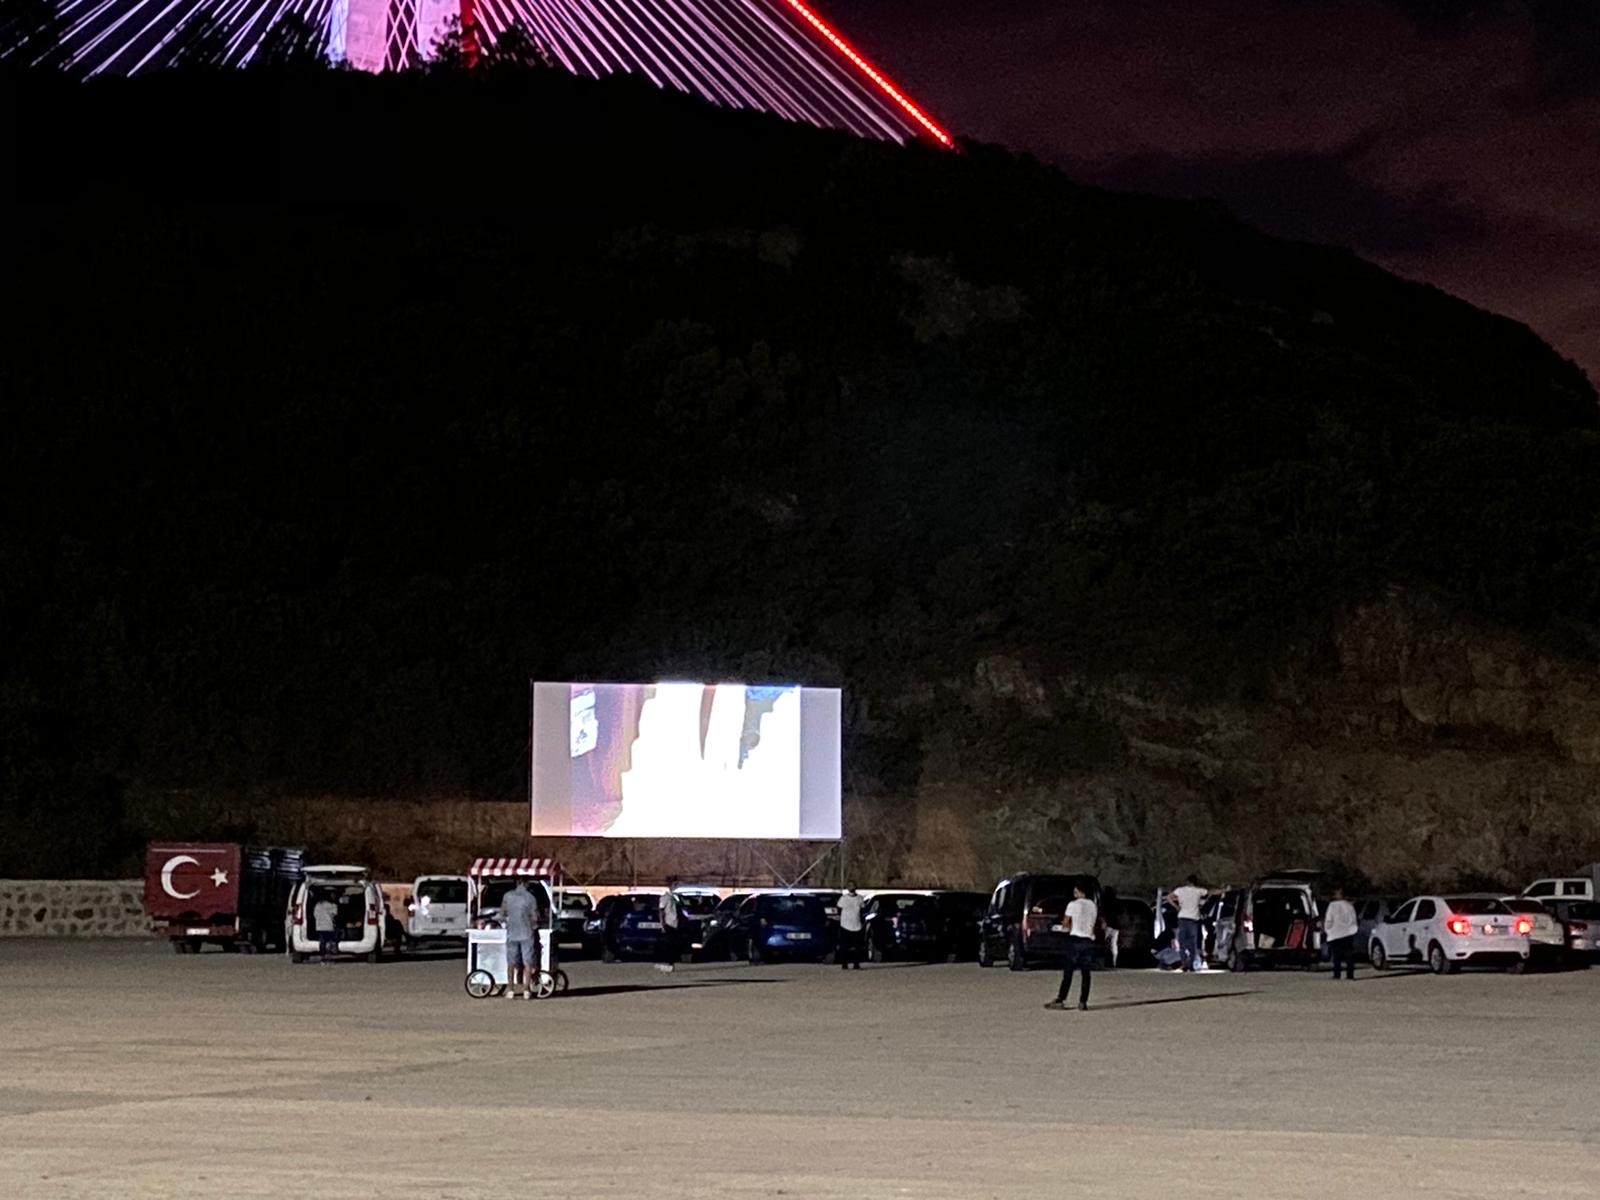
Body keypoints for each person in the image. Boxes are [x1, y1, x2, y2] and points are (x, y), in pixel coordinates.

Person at [1045, 883, 1098, 1011]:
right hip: (1089, 940)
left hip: (1075, 940)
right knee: (1086, 973)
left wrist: (1062, 927)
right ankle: (1083, 1002)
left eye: (1076, 892)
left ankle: (1061, 999)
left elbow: (1066, 923)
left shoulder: (1073, 905)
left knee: (1068, 971)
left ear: (1081, 892)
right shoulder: (1093, 905)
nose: (1074, 894)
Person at [501, 879, 540, 999]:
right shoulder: (531, 898)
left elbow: (503, 913)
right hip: (526, 933)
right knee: (527, 962)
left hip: (512, 933)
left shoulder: (507, 896)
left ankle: (510, 989)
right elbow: (535, 917)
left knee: (511, 963)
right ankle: (526, 989)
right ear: (526, 884)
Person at [1170, 875, 1213, 972]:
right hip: (1193, 919)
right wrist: (1223, 890)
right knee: (1192, 943)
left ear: (1187, 881)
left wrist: (1176, 907)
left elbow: (1169, 897)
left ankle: (1184, 963)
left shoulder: (1180, 890)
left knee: (1182, 942)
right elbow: (1209, 893)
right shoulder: (1198, 891)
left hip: (1182, 918)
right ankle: (1191, 964)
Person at [1324, 888, 1359, 980]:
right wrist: (1353, 929)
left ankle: (1337, 974)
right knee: (1349, 955)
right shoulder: (1349, 906)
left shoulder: (1332, 906)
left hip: (1335, 933)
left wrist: (1328, 930)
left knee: (1336, 956)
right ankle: (1350, 975)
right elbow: (1353, 919)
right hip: (1348, 933)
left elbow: (1329, 919)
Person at [836, 885, 865, 970]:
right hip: (845, 925)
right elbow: (839, 909)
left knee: (857, 947)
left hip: (857, 925)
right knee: (844, 946)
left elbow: (862, 909)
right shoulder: (843, 898)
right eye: (850, 886)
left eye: (853, 886)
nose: (851, 887)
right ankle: (844, 964)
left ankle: (856, 964)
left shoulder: (860, 898)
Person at [655, 886, 680, 973]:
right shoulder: (665, 897)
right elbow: (661, 911)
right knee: (669, 944)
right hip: (669, 923)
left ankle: (670, 964)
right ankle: (669, 964)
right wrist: (662, 923)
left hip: (674, 923)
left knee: (672, 945)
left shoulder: (674, 897)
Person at [312, 893, 340, 961]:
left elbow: (315, 915)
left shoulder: (317, 905)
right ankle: (329, 956)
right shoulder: (333, 905)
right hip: (329, 926)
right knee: (330, 941)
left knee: (322, 942)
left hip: (319, 927)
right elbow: (335, 914)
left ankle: (322, 956)